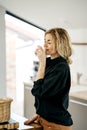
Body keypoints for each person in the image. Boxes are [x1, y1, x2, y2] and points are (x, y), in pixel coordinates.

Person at [24, 28, 73, 130]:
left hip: (56, 124)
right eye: (45, 41)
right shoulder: (49, 62)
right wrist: (40, 114)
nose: (45, 45)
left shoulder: (61, 67)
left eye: (49, 42)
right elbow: (44, 96)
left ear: (60, 44)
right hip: (45, 120)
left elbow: (38, 91)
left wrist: (42, 64)